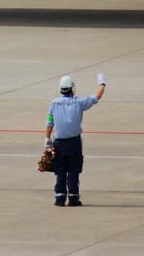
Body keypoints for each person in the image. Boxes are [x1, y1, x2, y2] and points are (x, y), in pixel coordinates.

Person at [44, 73, 106, 207]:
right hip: (74, 143)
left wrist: (47, 140)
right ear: (72, 89)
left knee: (60, 170)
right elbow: (98, 95)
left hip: (59, 142)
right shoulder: (79, 102)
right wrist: (102, 82)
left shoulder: (53, 104)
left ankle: (59, 198)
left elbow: (49, 124)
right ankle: (73, 197)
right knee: (73, 170)